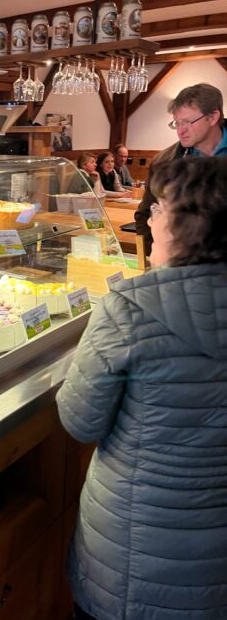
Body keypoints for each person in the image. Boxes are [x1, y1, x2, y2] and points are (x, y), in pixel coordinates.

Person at [56, 155, 227, 620]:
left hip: (135, 545)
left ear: (189, 227)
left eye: (158, 209)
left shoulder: (128, 309)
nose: (148, 220)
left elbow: (81, 422)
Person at [135, 82, 227, 254]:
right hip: (183, 261)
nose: (180, 131)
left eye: (187, 122)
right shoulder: (164, 162)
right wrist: (158, 258)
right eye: (176, 123)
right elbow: (146, 215)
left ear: (213, 117)